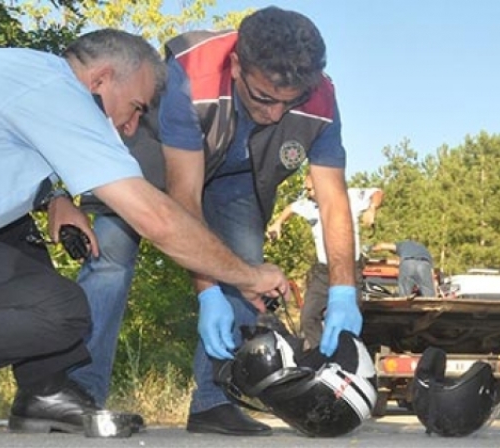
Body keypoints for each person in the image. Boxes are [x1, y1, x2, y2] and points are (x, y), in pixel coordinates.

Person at [0, 28, 287, 435]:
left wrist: (53, 197)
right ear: (101, 79)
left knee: (23, 245)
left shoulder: (22, 74)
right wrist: (248, 276)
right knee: (62, 312)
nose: (131, 128)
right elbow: (155, 217)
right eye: (135, 107)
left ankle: (45, 393)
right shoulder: (55, 89)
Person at [68, 7, 363, 437]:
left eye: (291, 101)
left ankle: (214, 402)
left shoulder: (320, 98)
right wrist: (208, 293)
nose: (278, 115)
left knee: (247, 268)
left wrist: (343, 289)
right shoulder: (193, 73)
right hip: (154, 164)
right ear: (238, 65)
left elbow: (333, 200)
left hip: (236, 176)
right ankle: (76, 395)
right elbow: (184, 194)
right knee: (110, 255)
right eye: (264, 97)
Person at [266, 173, 383, 350]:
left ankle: (346, 356)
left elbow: (377, 192)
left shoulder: (349, 197)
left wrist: (371, 209)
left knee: (346, 319)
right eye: (306, 189)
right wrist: (278, 223)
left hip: (348, 269)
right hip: (323, 272)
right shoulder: (309, 206)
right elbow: (291, 208)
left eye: (310, 189)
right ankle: (319, 354)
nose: (308, 193)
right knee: (308, 317)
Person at [370, 240, 436, 297]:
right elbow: (432, 274)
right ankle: (432, 306)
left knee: (404, 296)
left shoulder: (401, 245)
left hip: (407, 263)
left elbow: (383, 245)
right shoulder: (424, 249)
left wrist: (371, 249)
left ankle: (404, 309)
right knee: (429, 296)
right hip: (424, 264)